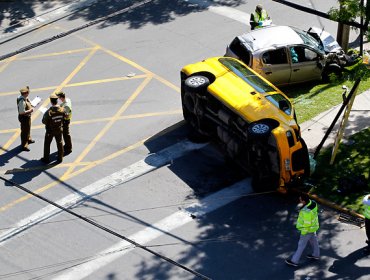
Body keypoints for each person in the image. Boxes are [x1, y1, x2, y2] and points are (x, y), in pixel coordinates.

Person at [285, 193, 320, 267]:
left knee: (301, 245)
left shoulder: (305, 211)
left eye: (300, 199)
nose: (299, 200)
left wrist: (303, 232)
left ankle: (294, 261)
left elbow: (307, 223)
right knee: (314, 242)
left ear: (304, 201)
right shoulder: (313, 203)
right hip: (313, 227)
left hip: (307, 230)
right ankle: (316, 255)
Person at [40, 93, 65, 164]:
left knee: (47, 144)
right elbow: (65, 117)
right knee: (59, 143)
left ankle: (46, 159)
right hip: (59, 129)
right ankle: (60, 158)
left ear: (51, 101)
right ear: (57, 101)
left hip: (50, 130)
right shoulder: (62, 109)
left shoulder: (48, 112)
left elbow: (43, 121)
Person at [17, 86, 35, 151]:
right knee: (24, 131)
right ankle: (24, 145)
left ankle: (28, 139)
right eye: (28, 93)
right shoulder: (22, 101)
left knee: (28, 129)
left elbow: (27, 100)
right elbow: (22, 112)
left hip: (27, 117)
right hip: (24, 118)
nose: (28, 94)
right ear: (25, 93)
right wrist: (30, 111)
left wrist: (31, 103)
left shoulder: (23, 97)